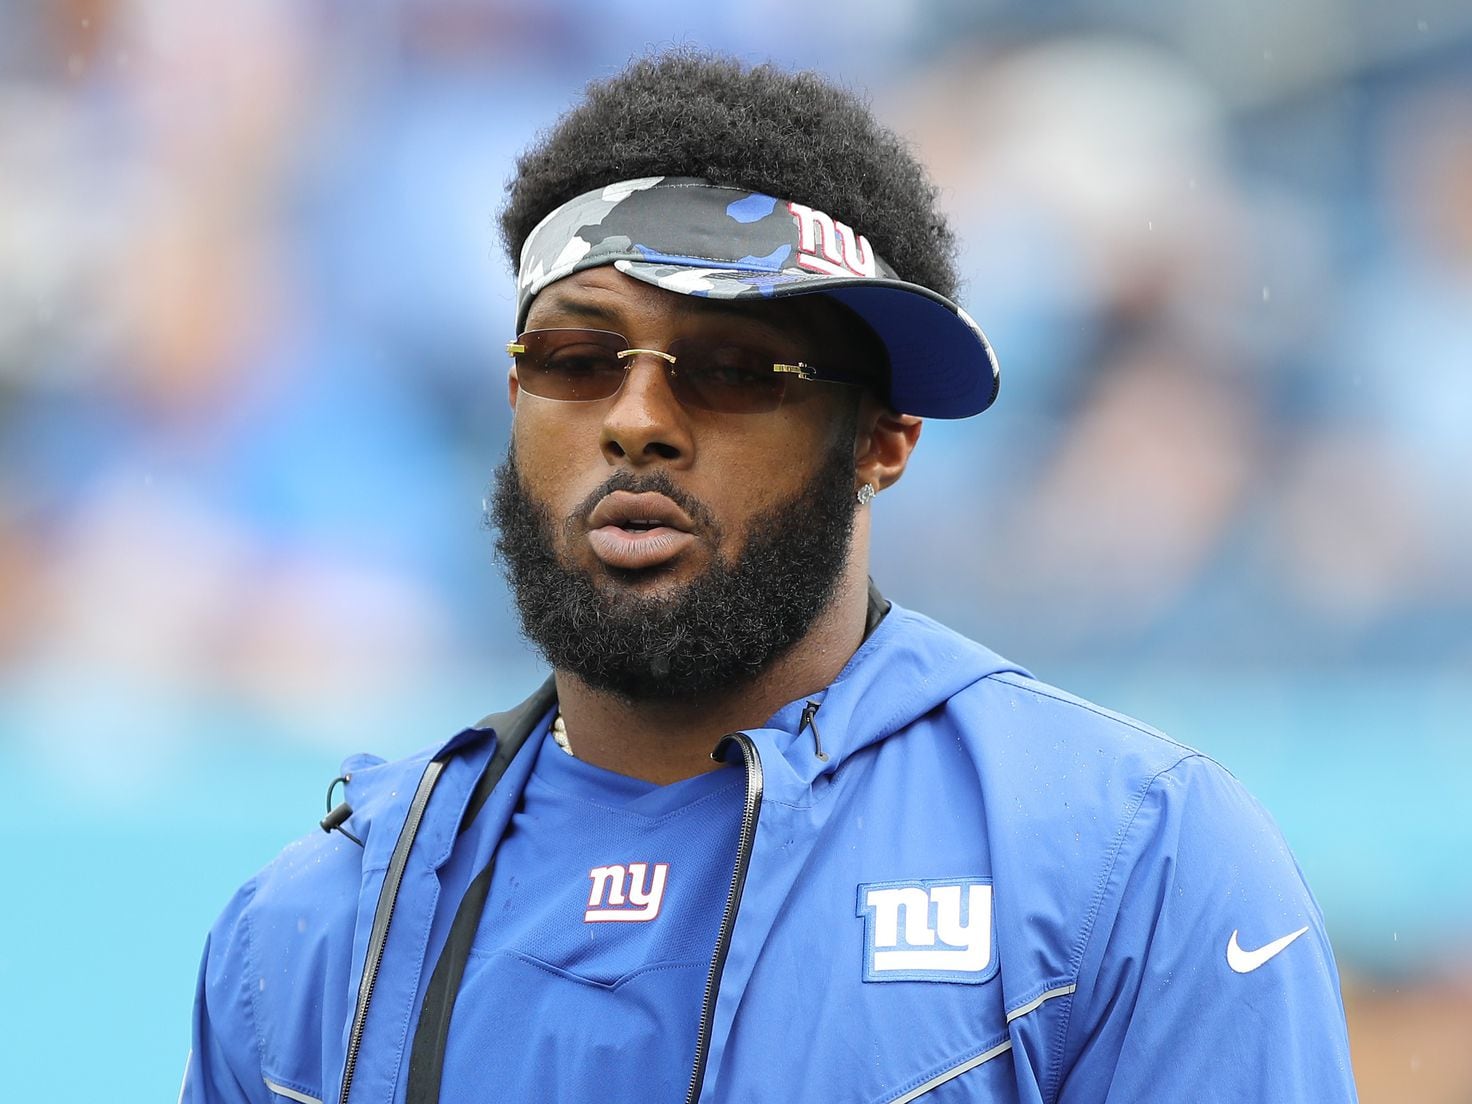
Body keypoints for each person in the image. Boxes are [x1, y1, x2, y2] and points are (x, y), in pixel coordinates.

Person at [184, 52, 1358, 1104]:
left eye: (736, 369)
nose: (636, 420)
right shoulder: (311, 933)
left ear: (882, 439)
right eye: (577, 358)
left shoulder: (1129, 862)